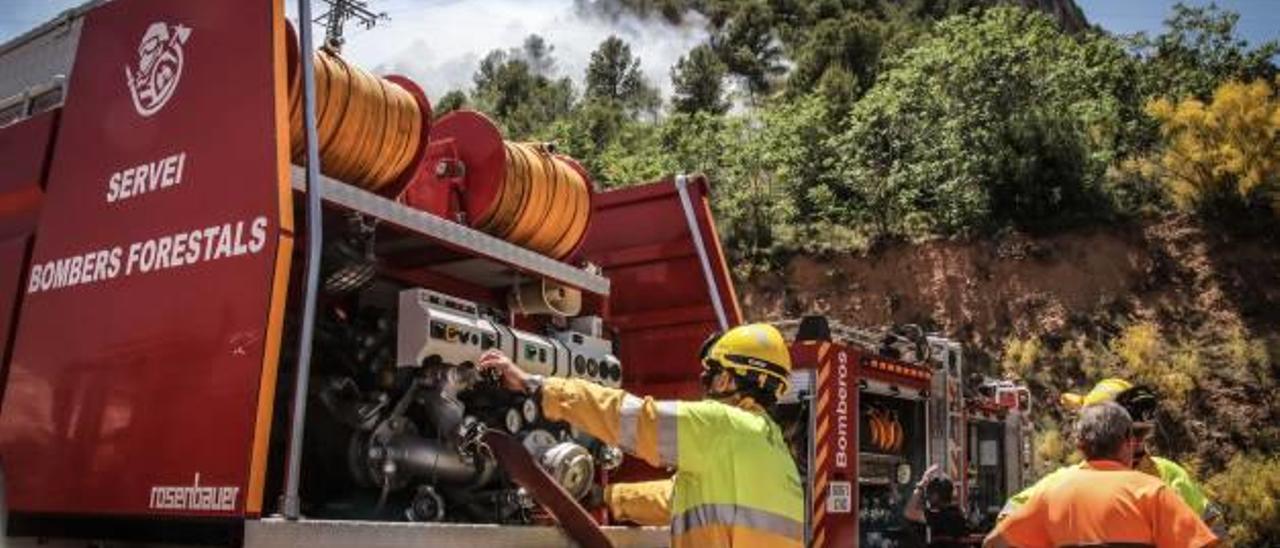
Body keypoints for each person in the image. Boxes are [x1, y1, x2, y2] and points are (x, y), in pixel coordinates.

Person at [478, 323, 804, 547]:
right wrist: (608, 498)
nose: (706, 388)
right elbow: (679, 499)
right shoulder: (774, 450)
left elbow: (634, 418)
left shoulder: (721, 426)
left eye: (711, 377)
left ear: (726, 381)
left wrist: (537, 387)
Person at [999, 378, 1225, 536]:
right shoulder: (1063, 485)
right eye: (1130, 433)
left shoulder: (1169, 476)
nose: (1136, 442)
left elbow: (1212, 526)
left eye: (1142, 432)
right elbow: (1008, 519)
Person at [903, 464, 968, 547]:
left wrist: (921, 486)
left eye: (930, 493)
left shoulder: (940, 516)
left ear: (936, 495)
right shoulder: (958, 513)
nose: (927, 497)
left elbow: (909, 512)